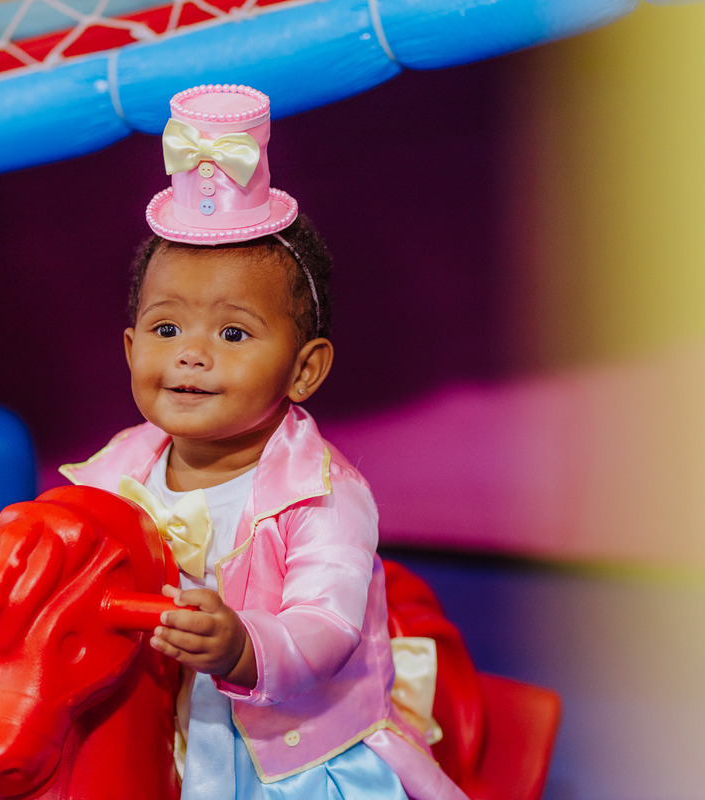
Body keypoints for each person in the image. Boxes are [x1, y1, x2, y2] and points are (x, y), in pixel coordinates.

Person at [60, 84, 466, 800]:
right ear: (129, 348)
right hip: (159, 724)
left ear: (303, 369)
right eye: (165, 329)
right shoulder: (117, 469)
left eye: (233, 333)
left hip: (287, 746)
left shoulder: (321, 496)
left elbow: (326, 623)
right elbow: (69, 543)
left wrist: (246, 646)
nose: (191, 354)